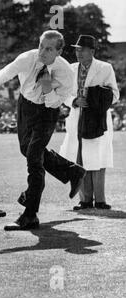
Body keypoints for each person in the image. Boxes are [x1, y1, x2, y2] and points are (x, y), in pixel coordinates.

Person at [0, 30, 86, 231]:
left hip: (48, 112)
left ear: (59, 51)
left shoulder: (65, 72)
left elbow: (57, 101)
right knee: (26, 150)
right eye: (40, 46)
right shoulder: (26, 59)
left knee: (33, 159)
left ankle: (30, 215)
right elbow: (1, 76)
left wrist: (47, 86)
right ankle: (72, 171)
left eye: (48, 49)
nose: (42, 52)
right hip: (25, 106)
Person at [59, 35, 119, 210]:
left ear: (92, 51)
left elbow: (114, 94)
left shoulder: (105, 68)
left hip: (97, 118)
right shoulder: (70, 69)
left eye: (82, 49)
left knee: (98, 156)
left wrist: (95, 100)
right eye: (77, 49)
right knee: (80, 157)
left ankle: (100, 200)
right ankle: (84, 200)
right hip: (77, 117)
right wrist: (74, 101)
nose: (78, 52)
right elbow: (63, 93)